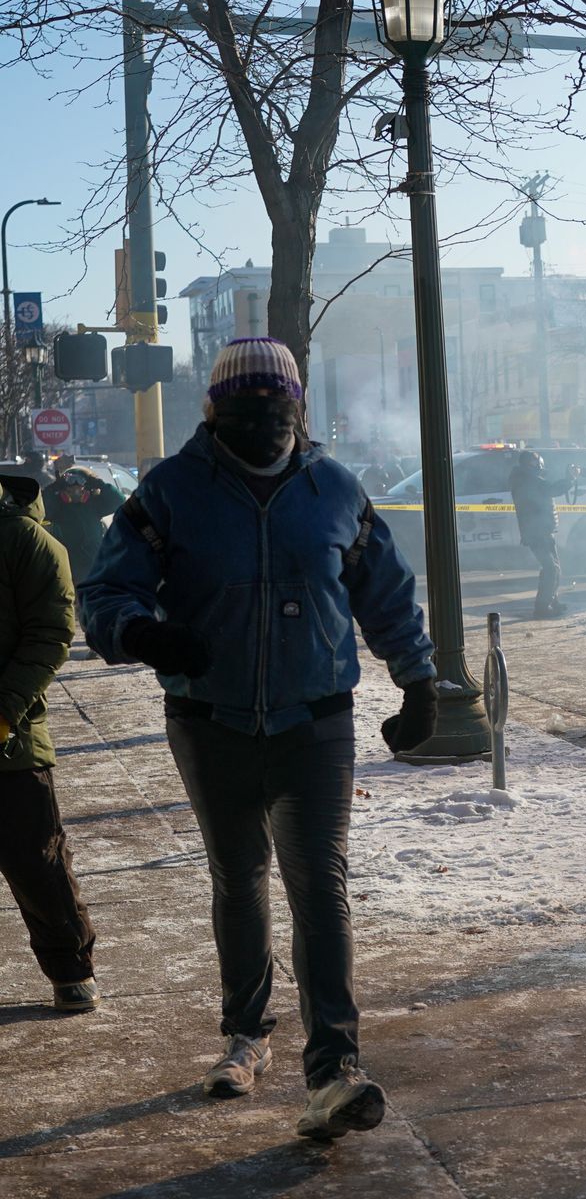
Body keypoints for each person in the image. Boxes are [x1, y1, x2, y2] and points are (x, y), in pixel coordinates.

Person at [79, 337, 438, 1142]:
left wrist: (417, 679)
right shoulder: (168, 493)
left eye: (276, 409)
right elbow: (105, 588)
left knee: (321, 888)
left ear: (298, 409)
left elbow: (385, 592)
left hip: (316, 722)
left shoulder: (336, 491)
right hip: (212, 723)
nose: (263, 423)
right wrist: (142, 634)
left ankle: (337, 1072)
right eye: (243, 411)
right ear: (213, 411)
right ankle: (246, 1036)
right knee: (240, 879)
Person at [0, 469, 97, 1014]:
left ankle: (70, 969)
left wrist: (4, 708)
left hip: (10, 738)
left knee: (36, 863)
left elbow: (52, 631)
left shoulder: (26, 538)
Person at [508, 450, 577, 618]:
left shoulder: (526, 477)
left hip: (542, 530)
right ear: (532, 463)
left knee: (555, 568)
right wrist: (570, 479)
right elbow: (551, 489)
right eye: (537, 462)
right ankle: (542, 607)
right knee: (551, 568)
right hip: (536, 531)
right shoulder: (526, 479)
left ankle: (551, 602)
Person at [43, 466, 126, 584]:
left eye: (80, 483)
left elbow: (119, 500)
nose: (75, 488)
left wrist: (101, 485)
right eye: (70, 483)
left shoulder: (95, 504)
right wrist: (51, 489)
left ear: (87, 487)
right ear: (63, 487)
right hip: (66, 561)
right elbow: (42, 509)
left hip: (92, 562)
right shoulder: (57, 504)